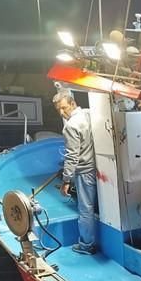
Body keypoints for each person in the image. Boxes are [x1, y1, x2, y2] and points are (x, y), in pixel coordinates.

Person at [53, 91, 97, 255]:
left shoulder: (70, 126)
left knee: (85, 210)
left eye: (64, 108)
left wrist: (66, 180)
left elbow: (72, 155)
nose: (62, 113)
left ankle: (86, 245)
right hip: (96, 167)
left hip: (84, 171)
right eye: (58, 110)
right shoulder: (88, 114)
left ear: (72, 103)